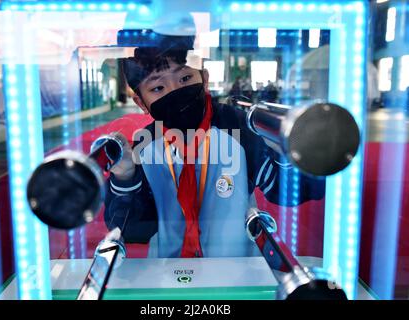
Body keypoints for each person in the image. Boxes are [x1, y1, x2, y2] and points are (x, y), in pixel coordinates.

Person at [104, 32, 325, 258]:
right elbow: (133, 229)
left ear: (204, 79)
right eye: (158, 88)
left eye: (185, 79)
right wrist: (125, 177)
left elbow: (289, 191)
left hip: (236, 268)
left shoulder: (239, 126)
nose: (176, 92)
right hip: (168, 273)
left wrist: (291, 149)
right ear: (141, 102)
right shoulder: (145, 144)